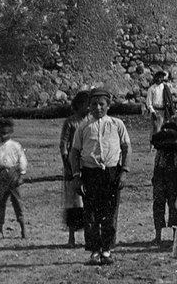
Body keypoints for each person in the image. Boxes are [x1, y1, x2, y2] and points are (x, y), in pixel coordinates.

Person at [69, 87, 132, 265]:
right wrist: (76, 176)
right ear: (89, 106)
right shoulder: (83, 126)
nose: (98, 108)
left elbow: (126, 148)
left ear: (108, 106)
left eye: (101, 104)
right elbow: (74, 152)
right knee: (91, 214)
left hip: (112, 173)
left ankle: (106, 250)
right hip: (90, 174)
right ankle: (94, 251)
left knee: (109, 213)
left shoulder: (117, 124)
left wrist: (124, 172)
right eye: (94, 104)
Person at [58, 91, 90, 246]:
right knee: (73, 201)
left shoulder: (91, 121)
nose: (89, 107)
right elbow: (63, 145)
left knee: (87, 201)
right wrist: (67, 164)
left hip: (88, 162)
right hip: (73, 163)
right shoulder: (71, 122)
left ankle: (87, 237)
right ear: (79, 105)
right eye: (86, 104)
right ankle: (71, 237)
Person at [0, 117, 28, 239]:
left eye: (6, 133)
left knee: (17, 202)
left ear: (10, 132)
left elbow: (22, 160)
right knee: (0, 203)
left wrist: (21, 174)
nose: (3, 136)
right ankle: (0, 230)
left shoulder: (15, 146)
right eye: (1, 133)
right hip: (0, 176)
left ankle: (23, 229)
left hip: (13, 176)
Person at [151, 118, 177, 244]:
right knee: (159, 206)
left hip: (171, 179)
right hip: (160, 177)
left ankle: (173, 235)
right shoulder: (162, 147)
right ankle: (159, 234)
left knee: (173, 207)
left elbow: (173, 142)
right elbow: (155, 140)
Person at [145, 70, 175, 136]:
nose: (159, 79)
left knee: (165, 129)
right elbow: (149, 102)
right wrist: (152, 112)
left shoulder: (165, 88)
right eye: (157, 77)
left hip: (164, 111)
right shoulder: (152, 89)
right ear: (155, 78)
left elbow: (169, 99)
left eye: (161, 77)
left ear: (162, 79)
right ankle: (153, 145)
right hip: (156, 111)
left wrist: (170, 110)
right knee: (155, 130)